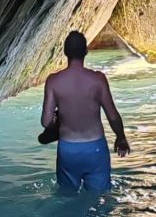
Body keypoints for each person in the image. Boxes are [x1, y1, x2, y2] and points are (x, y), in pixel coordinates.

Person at [41, 30, 130, 192]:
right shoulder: (98, 79)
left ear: (65, 52)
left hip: (67, 149)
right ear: (86, 52)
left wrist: (57, 119)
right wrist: (121, 137)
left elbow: (45, 122)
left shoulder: (53, 81)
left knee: (66, 197)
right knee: (99, 199)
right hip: (95, 148)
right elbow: (112, 116)